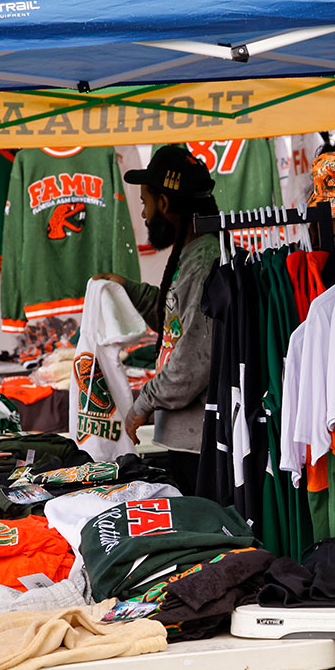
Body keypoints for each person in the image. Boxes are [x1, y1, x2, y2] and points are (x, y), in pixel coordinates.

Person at [94, 146, 222, 494]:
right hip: (187, 438)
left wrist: (142, 405)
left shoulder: (205, 260)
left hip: (200, 444)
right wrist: (129, 289)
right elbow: (175, 319)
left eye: (145, 203)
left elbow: (193, 361)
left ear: (165, 204)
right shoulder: (195, 253)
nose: (145, 215)